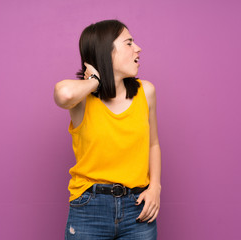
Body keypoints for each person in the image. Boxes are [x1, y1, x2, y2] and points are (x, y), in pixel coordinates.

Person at [54, 19, 161, 240]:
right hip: (89, 208)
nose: (138, 48)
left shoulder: (146, 92)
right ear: (106, 51)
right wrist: (94, 81)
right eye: (129, 43)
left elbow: (154, 144)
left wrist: (155, 188)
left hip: (137, 206)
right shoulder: (81, 100)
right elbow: (63, 94)